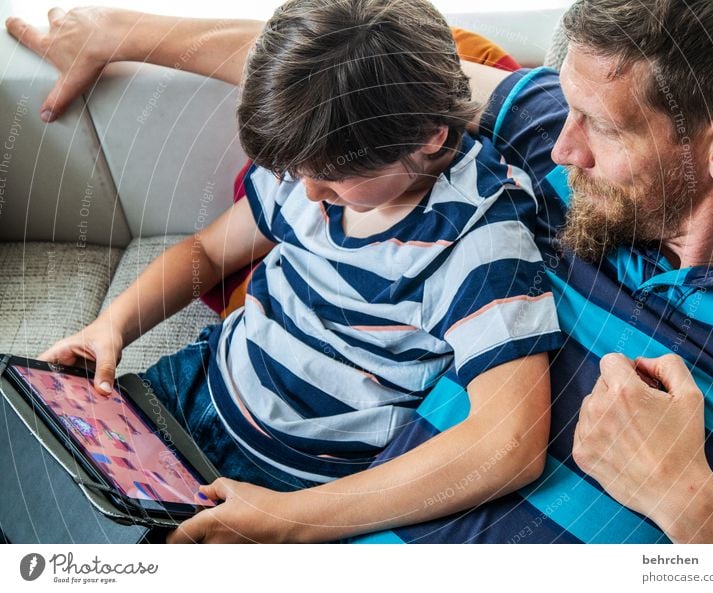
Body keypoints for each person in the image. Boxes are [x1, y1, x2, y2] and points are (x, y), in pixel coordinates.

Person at [7, 0, 713, 543]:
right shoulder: (542, 134)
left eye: (597, 127)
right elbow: (354, 81)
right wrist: (119, 30)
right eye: (566, 110)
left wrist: (686, 497)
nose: (559, 149)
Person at [21, 0, 561, 543]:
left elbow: (509, 444)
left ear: (429, 137)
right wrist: (112, 326)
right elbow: (206, 256)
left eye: (330, 177)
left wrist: (291, 521)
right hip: (188, 386)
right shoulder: (310, 159)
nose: (306, 194)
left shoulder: (481, 239)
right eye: (293, 172)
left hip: (294, 478)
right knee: (31, 477)